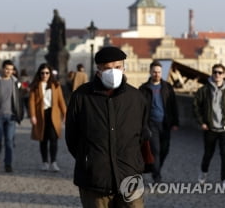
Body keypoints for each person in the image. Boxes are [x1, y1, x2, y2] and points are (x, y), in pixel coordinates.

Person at [66, 46, 148, 208]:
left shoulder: (136, 97)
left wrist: (133, 161)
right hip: (95, 178)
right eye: (108, 68)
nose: (114, 72)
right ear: (99, 70)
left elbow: (143, 134)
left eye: (117, 67)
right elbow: (72, 137)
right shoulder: (81, 97)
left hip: (129, 176)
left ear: (124, 68)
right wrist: (88, 159)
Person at [193, 63, 225, 188]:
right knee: (208, 153)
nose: (217, 75)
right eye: (215, 72)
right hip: (210, 128)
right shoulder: (204, 90)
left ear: (224, 75)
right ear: (212, 74)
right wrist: (201, 122)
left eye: (220, 73)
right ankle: (203, 173)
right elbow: (195, 106)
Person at [139, 60, 179, 183]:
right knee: (155, 150)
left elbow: (173, 105)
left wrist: (175, 122)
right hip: (151, 124)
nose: (157, 74)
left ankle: (154, 168)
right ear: (150, 72)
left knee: (165, 150)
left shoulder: (167, 87)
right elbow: (139, 108)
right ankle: (157, 176)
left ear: (162, 73)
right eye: (154, 72)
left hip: (165, 123)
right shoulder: (144, 88)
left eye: (159, 72)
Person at [0, 60, 24, 173]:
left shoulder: (16, 82)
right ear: (2, 69)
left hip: (11, 116)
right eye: (7, 69)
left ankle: (8, 164)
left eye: (11, 69)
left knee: (9, 141)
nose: (9, 71)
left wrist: (20, 114)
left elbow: (19, 100)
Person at [29, 63, 66, 172]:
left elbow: (61, 101)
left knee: (53, 139)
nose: (44, 75)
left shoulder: (55, 85)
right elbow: (31, 102)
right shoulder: (35, 86)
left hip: (53, 114)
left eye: (47, 73)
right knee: (43, 139)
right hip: (41, 115)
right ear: (39, 74)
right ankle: (45, 162)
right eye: (42, 73)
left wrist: (65, 114)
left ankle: (54, 162)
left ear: (50, 74)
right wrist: (32, 115)